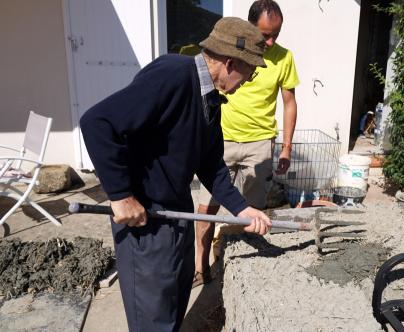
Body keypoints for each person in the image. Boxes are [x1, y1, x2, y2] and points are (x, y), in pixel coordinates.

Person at [80, 17, 271, 332]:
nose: (250, 78)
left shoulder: (210, 100)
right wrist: (121, 196)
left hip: (177, 214)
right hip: (147, 222)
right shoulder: (172, 76)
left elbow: (211, 165)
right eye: (250, 69)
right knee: (154, 320)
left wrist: (242, 208)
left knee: (173, 306)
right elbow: (97, 123)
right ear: (230, 62)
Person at [194, 0, 299, 288]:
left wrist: (286, 147)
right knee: (206, 209)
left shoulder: (284, 58)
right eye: (265, 34)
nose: (270, 41)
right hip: (221, 141)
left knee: (252, 213)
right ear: (249, 27)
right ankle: (202, 268)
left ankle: (246, 274)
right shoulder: (231, 53)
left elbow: (289, 103)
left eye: (276, 33)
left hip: (260, 144)